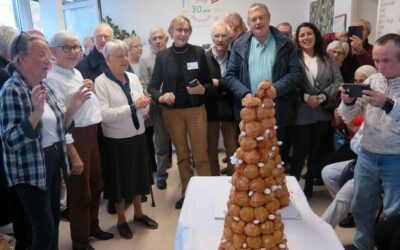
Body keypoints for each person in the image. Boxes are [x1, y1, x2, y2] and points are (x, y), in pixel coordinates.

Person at [0, 32, 90, 250]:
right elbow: (10, 139)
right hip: (30, 169)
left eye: (48, 55)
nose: (48, 60)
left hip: (52, 160)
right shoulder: (12, 89)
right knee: (44, 228)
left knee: (54, 222)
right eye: (41, 55)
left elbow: (60, 127)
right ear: (21, 58)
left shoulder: (45, 85)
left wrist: (72, 109)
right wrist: (35, 114)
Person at [47, 30, 113, 250]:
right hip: (74, 139)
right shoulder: (52, 80)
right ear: (53, 51)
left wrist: (89, 90)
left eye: (76, 47)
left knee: (96, 186)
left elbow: (83, 104)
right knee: (80, 193)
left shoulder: (74, 73)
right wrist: (72, 152)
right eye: (67, 47)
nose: (73, 52)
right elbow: (59, 120)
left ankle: (92, 227)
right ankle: (80, 242)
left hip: (92, 136)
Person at [339, 33, 400, 250]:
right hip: (368, 154)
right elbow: (350, 112)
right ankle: (361, 245)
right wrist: (348, 102)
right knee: (361, 206)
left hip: (396, 157)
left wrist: (387, 104)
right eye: (376, 61)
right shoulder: (372, 80)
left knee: (395, 214)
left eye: (386, 61)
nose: (380, 66)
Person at [224, 3, 303, 171]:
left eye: (261, 17)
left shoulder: (285, 43)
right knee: (250, 160)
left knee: (274, 159)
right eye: (253, 19)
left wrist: (277, 88)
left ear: (268, 19)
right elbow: (230, 76)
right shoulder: (238, 45)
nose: (258, 22)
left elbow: (296, 73)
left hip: (277, 112)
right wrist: (244, 93)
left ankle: (273, 194)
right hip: (248, 114)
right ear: (249, 23)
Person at [94, 39, 158, 239]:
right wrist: (133, 107)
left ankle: (138, 213)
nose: (124, 59)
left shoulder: (132, 76)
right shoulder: (101, 82)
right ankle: (121, 219)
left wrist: (145, 104)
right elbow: (104, 114)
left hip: (138, 136)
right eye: (119, 56)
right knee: (120, 182)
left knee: (139, 177)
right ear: (108, 59)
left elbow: (143, 108)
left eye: (125, 55)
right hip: (116, 140)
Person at [148, 15, 212, 209]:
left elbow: (208, 82)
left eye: (186, 30)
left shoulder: (199, 52)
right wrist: (161, 96)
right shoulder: (163, 56)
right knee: (182, 155)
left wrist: (203, 89)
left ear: (190, 32)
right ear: (171, 33)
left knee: (201, 154)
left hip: (196, 111)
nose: (182, 34)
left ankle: (207, 194)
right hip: (172, 113)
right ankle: (187, 193)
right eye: (179, 30)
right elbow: (152, 87)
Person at [290, 22, 342, 199]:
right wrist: (306, 97)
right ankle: (292, 189)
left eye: (309, 34)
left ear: (316, 36)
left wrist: (322, 97)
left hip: (322, 112)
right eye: (302, 35)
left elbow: (338, 82)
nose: (306, 38)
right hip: (301, 112)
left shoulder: (329, 58)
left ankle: (309, 188)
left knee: (315, 152)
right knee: (299, 153)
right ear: (297, 39)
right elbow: (289, 83)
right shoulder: (293, 58)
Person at [138, 27, 172, 190]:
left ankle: (189, 170)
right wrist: (156, 100)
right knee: (161, 143)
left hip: (178, 106)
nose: (158, 41)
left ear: (166, 39)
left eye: (160, 38)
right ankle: (162, 174)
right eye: (154, 38)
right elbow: (144, 85)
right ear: (150, 42)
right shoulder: (145, 60)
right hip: (158, 107)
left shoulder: (173, 55)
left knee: (184, 142)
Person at [204, 22, 238, 176]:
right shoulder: (203, 58)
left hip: (230, 109)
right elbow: (204, 83)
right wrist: (224, 84)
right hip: (209, 109)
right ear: (212, 38)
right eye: (216, 36)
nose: (220, 39)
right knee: (210, 148)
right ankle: (214, 179)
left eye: (223, 35)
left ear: (229, 38)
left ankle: (234, 179)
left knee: (232, 147)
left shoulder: (235, 58)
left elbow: (236, 82)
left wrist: (218, 83)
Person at [321, 123, 363, 228]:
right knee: (328, 172)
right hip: (364, 156)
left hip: (388, 165)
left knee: (349, 188)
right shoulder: (374, 111)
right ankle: (352, 211)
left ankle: (322, 228)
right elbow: (356, 142)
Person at [324, 19, 374, 84]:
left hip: (358, 83)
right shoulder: (343, 44)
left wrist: (361, 51)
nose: (358, 31)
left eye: (362, 29)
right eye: (355, 28)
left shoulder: (372, 49)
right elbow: (321, 40)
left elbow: (371, 67)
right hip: (338, 80)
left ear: (368, 33)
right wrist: (336, 35)